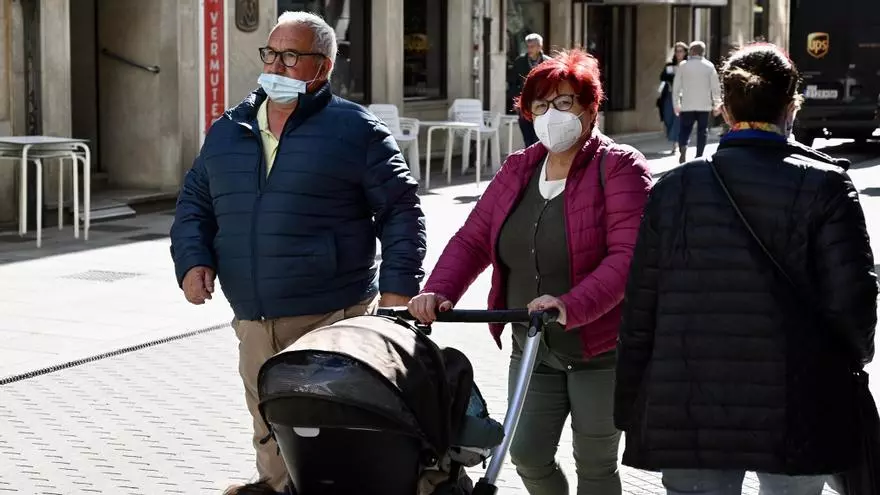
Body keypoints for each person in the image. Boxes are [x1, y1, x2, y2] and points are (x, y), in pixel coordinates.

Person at [170, 11, 426, 491]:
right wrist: (193, 259)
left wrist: (397, 291)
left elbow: (401, 210)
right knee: (271, 436)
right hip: (254, 321)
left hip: (331, 319)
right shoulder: (230, 128)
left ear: (322, 67)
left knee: (332, 442)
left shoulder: (356, 129)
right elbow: (195, 203)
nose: (275, 66)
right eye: (270, 54)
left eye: (290, 56)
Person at [615, 43, 877, 495]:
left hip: (690, 405)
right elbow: (854, 304)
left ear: (724, 108)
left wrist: (628, 405)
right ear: (791, 107)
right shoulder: (827, 185)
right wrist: (854, 362)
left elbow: (641, 312)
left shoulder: (673, 189)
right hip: (798, 401)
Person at [408, 49, 652, 495]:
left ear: (591, 107)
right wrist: (439, 290)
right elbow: (473, 238)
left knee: (595, 463)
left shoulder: (619, 166)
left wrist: (568, 305)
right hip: (533, 345)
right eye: (540, 106)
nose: (550, 115)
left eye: (564, 102)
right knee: (526, 454)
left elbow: (628, 257)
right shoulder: (519, 168)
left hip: (601, 350)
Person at [671, 41, 722, 163]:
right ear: (703, 52)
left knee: (685, 129)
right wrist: (717, 104)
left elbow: (676, 87)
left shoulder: (683, 66)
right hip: (704, 105)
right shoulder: (709, 66)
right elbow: (715, 88)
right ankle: (699, 155)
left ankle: (683, 147)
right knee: (702, 131)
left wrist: (676, 104)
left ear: (691, 51)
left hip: (687, 105)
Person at [509, 33, 552, 147]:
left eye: (532, 46)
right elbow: (512, 84)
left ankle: (540, 158)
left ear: (539, 47)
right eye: (527, 46)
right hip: (524, 106)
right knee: (528, 140)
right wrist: (516, 102)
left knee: (539, 138)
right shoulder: (520, 62)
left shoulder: (548, 63)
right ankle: (530, 158)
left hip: (543, 106)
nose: (529, 49)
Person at [657, 42, 688, 154]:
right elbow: (662, 77)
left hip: (682, 96)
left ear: (685, 52)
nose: (678, 53)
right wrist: (672, 75)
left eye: (681, 51)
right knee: (667, 117)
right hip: (669, 94)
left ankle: (676, 142)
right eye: (677, 51)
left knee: (677, 119)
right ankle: (674, 138)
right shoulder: (670, 65)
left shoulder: (687, 65)